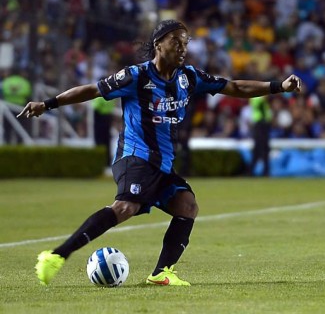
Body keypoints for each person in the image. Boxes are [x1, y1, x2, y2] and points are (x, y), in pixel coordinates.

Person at [18, 19, 302, 286]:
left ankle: (161, 274)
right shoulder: (135, 76)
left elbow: (235, 86)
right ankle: (56, 256)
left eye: (186, 43)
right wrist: (48, 104)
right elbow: (91, 90)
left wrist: (278, 87)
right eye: (176, 42)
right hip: (135, 155)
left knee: (187, 205)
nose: (182, 48)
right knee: (125, 207)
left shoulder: (188, 78)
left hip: (162, 164)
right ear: (159, 44)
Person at [249, 95, 272, 177]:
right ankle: (254, 170)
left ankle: (261, 170)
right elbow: (257, 105)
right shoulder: (255, 97)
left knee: (262, 149)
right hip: (259, 124)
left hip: (264, 124)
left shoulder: (262, 98)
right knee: (260, 148)